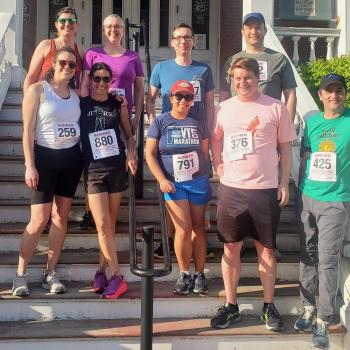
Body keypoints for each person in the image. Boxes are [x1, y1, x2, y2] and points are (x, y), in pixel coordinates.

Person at [210, 58, 295, 330]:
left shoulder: (276, 107)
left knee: (266, 252)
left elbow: (286, 147)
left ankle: (269, 306)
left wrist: (283, 182)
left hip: (265, 190)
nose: (242, 83)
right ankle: (231, 305)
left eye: (247, 77)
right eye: (237, 78)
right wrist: (218, 164)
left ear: (257, 78)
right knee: (230, 247)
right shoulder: (223, 108)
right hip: (232, 190)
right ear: (231, 80)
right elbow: (215, 138)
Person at [12, 47, 83, 296]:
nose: (67, 67)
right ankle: (20, 275)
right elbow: (27, 131)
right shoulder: (38, 90)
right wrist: (29, 165)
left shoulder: (75, 94)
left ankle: (50, 272)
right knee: (39, 219)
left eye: (72, 65)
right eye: (63, 62)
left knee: (60, 219)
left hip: (71, 158)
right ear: (53, 64)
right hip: (44, 158)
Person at [146, 22, 215, 258]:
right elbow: (150, 98)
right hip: (170, 136)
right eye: (178, 37)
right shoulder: (161, 68)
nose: (183, 41)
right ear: (172, 42)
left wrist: (210, 129)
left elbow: (209, 104)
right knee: (171, 189)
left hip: (197, 136)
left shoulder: (204, 69)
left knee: (197, 189)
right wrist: (155, 120)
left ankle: (197, 243)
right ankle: (170, 239)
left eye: (187, 37)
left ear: (193, 41)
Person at [294, 73, 350, 350]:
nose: (334, 96)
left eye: (339, 91)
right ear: (320, 95)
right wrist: (299, 190)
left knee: (327, 261)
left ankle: (324, 321)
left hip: (336, 202)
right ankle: (307, 308)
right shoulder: (312, 121)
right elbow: (305, 155)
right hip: (308, 197)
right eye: (329, 91)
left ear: (345, 94)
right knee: (307, 254)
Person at [146, 80, 211, 295]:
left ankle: (199, 273)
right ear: (171, 98)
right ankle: (184, 273)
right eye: (179, 96)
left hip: (197, 181)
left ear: (193, 101)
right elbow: (149, 154)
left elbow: (204, 151)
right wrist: (161, 179)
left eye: (188, 97)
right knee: (183, 229)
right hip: (174, 184)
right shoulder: (160, 122)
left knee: (198, 228)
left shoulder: (198, 122)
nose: (183, 101)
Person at [80, 13, 144, 229]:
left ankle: (110, 211)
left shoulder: (133, 57)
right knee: (92, 160)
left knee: (116, 158)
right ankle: (91, 212)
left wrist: (136, 114)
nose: (113, 31)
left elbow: (140, 89)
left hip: (120, 112)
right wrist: (80, 105)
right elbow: (85, 82)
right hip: (96, 111)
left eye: (117, 27)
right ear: (103, 29)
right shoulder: (92, 53)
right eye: (109, 27)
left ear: (123, 30)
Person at [80, 62, 137, 299]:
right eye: (97, 79)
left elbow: (129, 134)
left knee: (109, 225)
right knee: (102, 223)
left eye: (106, 79)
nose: (102, 83)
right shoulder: (82, 104)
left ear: (112, 81)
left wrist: (132, 153)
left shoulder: (117, 103)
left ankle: (101, 271)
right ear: (90, 81)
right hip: (94, 171)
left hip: (116, 168)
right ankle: (117, 276)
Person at [220, 12, 296, 121]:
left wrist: (287, 125)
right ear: (242, 31)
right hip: (238, 122)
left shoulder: (279, 59)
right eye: (249, 28)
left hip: (269, 123)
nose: (253, 32)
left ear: (265, 31)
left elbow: (290, 95)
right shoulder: (232, 61)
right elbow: (224, 95)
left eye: (258, 28)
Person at [23, 6, 84, 94]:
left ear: (76, 25)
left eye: (71, 21)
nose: (67, 24)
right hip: (45, 101)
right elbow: (31, 77)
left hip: (71, 103)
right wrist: (27, 101)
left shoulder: (81, 53)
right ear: (56, 25)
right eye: (62, 21)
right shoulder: (45, 45)